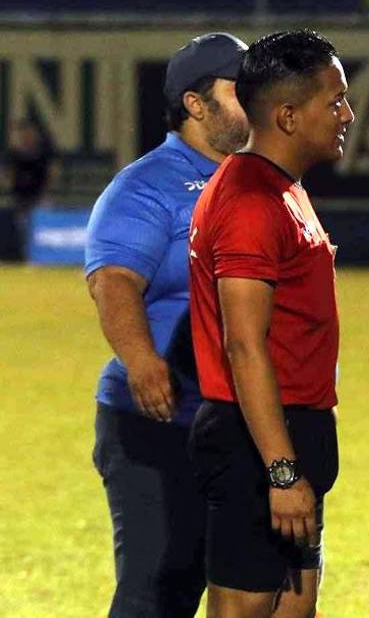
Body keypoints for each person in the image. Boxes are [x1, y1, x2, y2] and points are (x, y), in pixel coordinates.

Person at [187, 29, 354, 618]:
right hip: (255, 441)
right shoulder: (251, 201)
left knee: (294, 607)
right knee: (245, 608)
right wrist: (282, 471)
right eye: (335, 101)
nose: (347, 115)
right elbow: (243, 345)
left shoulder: (281, 187)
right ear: (287, 116)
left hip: (290, 429)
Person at [85, 32, 249, 617]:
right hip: (158, 421)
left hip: (241, 422)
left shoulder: (265, 179)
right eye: (240, 89)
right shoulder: (147, 184)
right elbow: (113, 279)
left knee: (251, 593)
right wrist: (141, 361)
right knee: (157, 594)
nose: (257, 98)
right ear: (196, 105)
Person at [5, 117, 57, 259]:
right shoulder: (15, 154)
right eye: (24, 133)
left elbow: (52, 172)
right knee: (23, 231)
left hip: (40, 196)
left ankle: (47, 256)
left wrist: (46, 190)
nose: (27, 136)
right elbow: (8, 174)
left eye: (30, 133)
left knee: (44, 228)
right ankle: (27, 257)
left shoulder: (43, 153)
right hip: (21, 198)